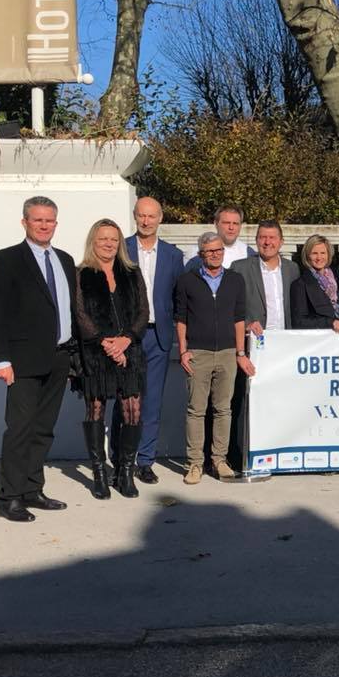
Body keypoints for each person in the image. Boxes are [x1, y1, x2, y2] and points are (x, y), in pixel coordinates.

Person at [0, 196, 76, 522]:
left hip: (59, 357)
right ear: (25, 222)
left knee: (43, 428)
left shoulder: (65, 260)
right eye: (37, 219)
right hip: (22, 360)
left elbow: (68, 310)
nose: (44, 225)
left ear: (56, 222)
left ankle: (32, 489)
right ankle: (9, 497)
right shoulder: (7, 259)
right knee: (20, 428)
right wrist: (0, 359)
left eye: (49, 220)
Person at [111, 197, 184, 485]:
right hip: (128, 337)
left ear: (160, 218)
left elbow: (178, 297)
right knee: (125, 400)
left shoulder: (173, 255)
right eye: (141, 215)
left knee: (152, 401)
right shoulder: (121, 249)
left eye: (151, 216)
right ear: (134, 216)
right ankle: (120, 458)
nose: (146, 221)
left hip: (159, 335)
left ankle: (145, 461)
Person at [75, 219, 149, 500]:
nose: (108, 244)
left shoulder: (132, 272)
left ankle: (125, 473)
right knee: (95, 411)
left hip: (129, 352)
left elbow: (144, 311)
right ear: (93, 241)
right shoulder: (81, 273)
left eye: (114, 240)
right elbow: (80, 314)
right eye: (103, 238)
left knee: (132, 411)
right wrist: (105, 343)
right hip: (96, 353)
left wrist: (126, 340)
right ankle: (99, 474)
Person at [176, 232, 256, 484]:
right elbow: (181, 319)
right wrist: (183, 350)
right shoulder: (187, 281)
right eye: (210, 251)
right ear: (201, 254)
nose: (215, 255)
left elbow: (239, 318)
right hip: (197, 352)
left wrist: (240, 352)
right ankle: (194, 464)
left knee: (223, 409)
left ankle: (219, 460)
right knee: (196, 410)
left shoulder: (235, 280)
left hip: (227, 353)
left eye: (219, 250)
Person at [230, 220, 299, 470]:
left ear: (281, 241)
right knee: (243, 402)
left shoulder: (293, 269)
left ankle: (280, 451)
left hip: (284, 346)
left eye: (272, 238)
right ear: (256, 240)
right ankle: (237, 454)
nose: (267, 242)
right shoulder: (240, 268)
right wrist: (248, 323)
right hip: (252, 347)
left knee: (280, 400)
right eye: (262, 237)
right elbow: (232, 306)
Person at [291, 234, 339, 330]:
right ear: (307, 256)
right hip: (321, 339)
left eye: (323, 253)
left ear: (328, 254)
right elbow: (299, 322)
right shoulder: (300, 284)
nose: (319, 257)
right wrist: (330, 322)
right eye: (314, 253)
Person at [185, 205, 256, 270]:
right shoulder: (196, 253)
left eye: (235, 223)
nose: (231, 227)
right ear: (216, 224)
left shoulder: (249, 254)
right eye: (226, 223)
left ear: (240, 226)